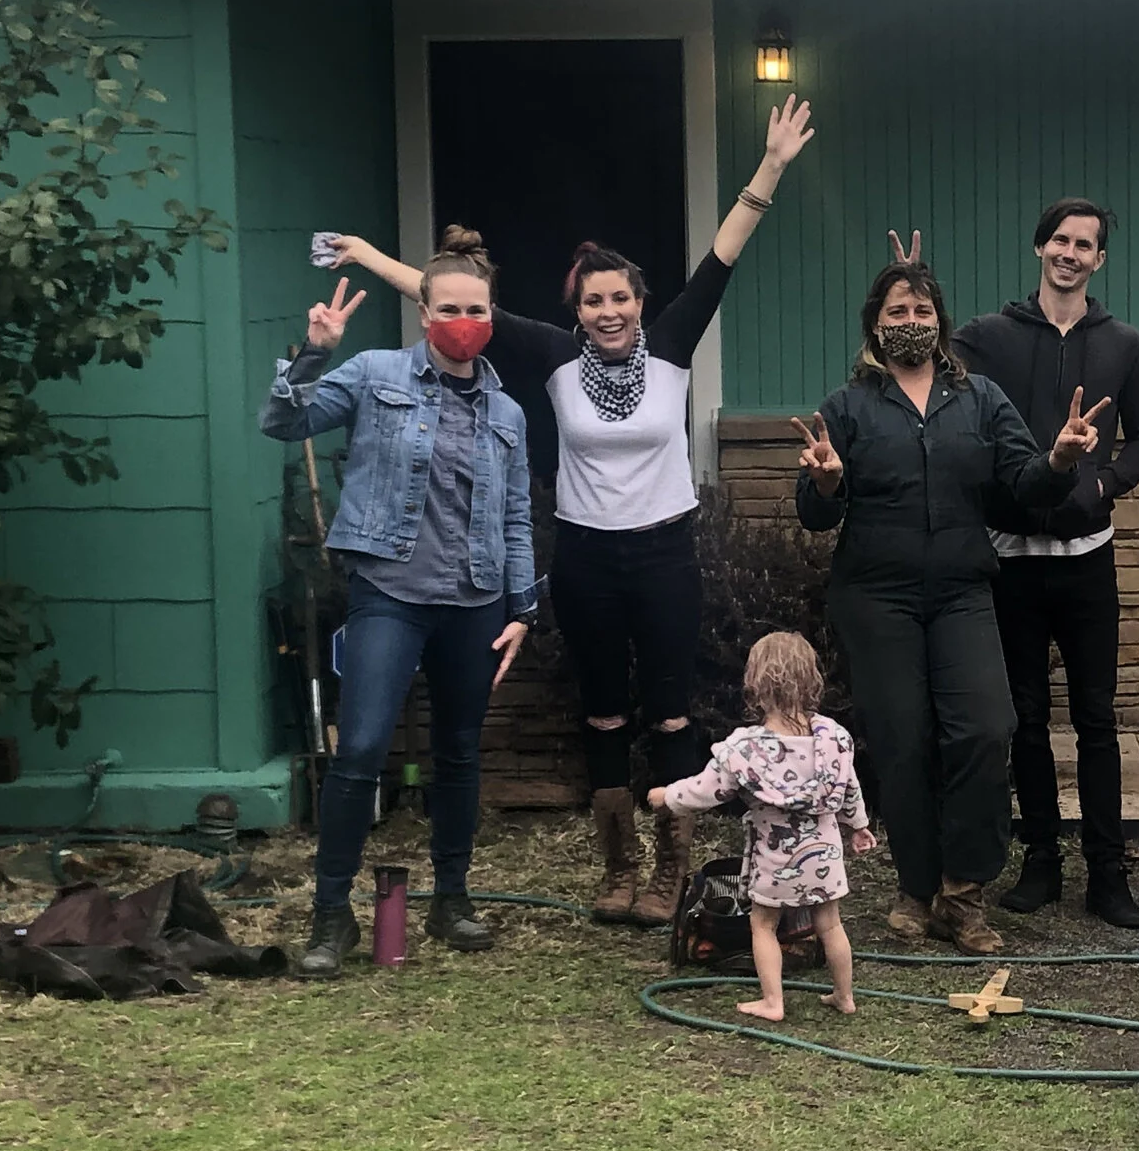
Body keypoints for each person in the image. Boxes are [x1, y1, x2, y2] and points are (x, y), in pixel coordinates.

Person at [321, 95, 816, 928]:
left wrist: (769, 165)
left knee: (670, 711)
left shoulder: (673, 347)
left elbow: (722, 256)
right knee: (603, 711)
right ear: (576, 310)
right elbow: (449, 300)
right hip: (587, 559)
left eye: (620, 297)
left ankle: (668, 870)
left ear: (639, 301)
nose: (609, 311)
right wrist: (370, 256)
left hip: (665, 555)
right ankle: (618, 867)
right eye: (593, 301)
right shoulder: (553, 357)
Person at [795, 257, 1109, 955]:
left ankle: (963, 892)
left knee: (986, 728)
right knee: (903, 739)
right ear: (875, 324)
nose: (911, 322)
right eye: (897, 312)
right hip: (876, 596)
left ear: (940, 320)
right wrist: (826, 483)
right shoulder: (847, 407)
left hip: (962, 590)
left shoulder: (980, 398)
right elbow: (816, 515)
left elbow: (1026, 481)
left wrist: (1060, 460)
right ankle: (916, 887)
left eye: (922, 310)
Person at [260, 245, 535, 977]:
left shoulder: (507, 412)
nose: (463, 321)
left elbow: (516, 516)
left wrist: (523, 608)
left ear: (490, 317)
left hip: (476, 600)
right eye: (449, 309)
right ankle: (331, 914)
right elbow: (281, 423)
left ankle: (451, 897)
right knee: (359, 749)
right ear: (424, 313)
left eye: (476, 310)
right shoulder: (374, 373)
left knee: (459, 752)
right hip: (388, 592)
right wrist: (314, 353)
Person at [950, 199, 1139, 931]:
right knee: (1027, 718)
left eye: (1085, 244)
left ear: (1100, 259)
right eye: (1060, 240)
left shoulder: (1125, 344)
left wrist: (1104, 483)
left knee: (1096, 718)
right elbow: (933, 377)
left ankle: (1108, 872)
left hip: (1087, 563)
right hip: (1012, 559)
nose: (1070, 253)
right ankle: (1041, 859)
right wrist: (913, 282)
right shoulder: (988, 338)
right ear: (1040, 247)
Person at [650, 631, 874, 1023]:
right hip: (824, 856)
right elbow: (849, 788)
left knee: (763, 924)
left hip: (776, 858)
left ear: (755, 684)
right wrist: (858, 825)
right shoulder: (833, 739)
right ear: (812, 680)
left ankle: (773, 1002)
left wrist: (667, 796)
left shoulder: (746, 749)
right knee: (830, 923)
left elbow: (705, 790)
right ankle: (844, 995)